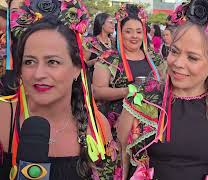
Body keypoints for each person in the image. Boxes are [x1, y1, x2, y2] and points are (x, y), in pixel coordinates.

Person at [117, 0, 208, 179]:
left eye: (192, 58)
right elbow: (122, 162)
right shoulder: (143, 101)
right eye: (174, 51)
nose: (178, 63)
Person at [0, 1, 120, 179]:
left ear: (77, 68)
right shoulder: (4, 116)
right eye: (29, 62)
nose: (39, 74)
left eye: (53, 62)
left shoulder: (96, 126)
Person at [92, 4, 163, 128]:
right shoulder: (109, 58)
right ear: (120, 33)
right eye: (128, 31)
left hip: (153, 124)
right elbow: (97, 91)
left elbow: (165, 83)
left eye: (139, 31)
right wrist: (129, 91)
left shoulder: (154, 57)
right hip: (120, 125)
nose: (134, 36)